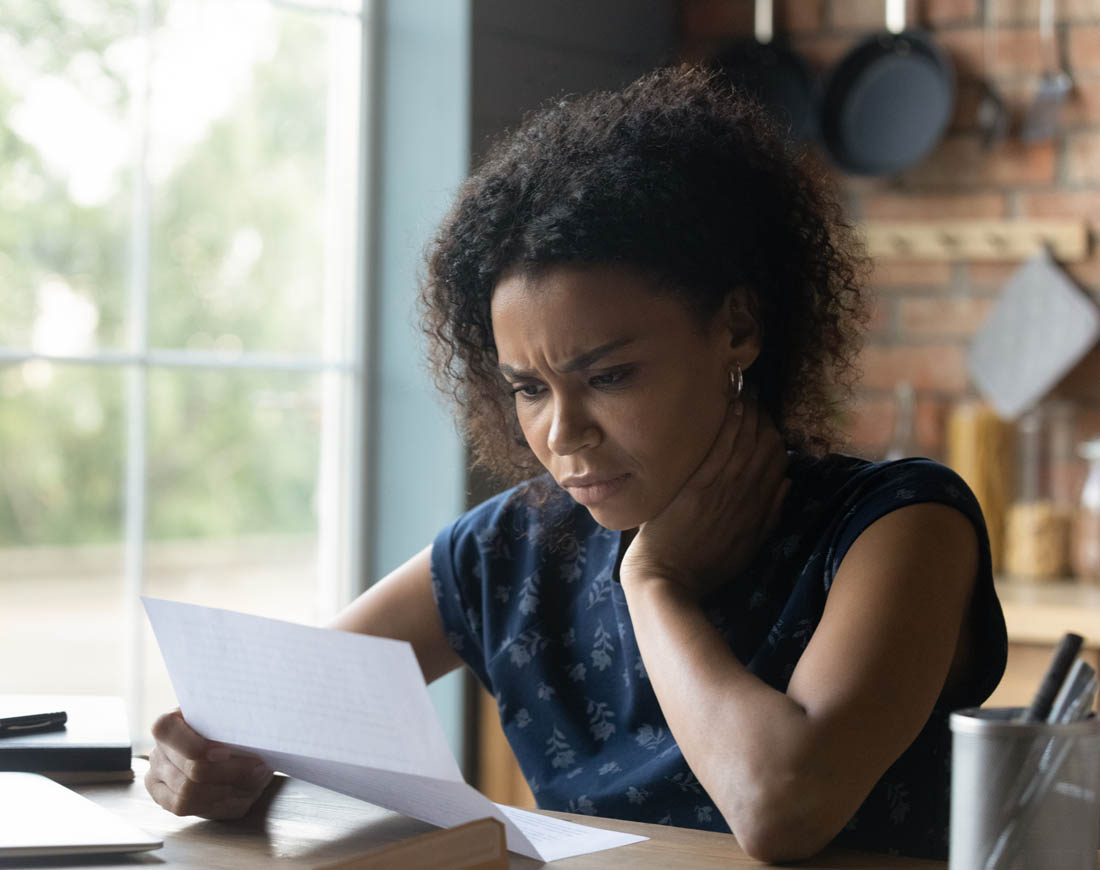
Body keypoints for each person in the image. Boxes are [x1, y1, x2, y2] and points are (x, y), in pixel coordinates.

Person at [144, 64, 1006, 863]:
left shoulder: (898, 527)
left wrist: (655, 584)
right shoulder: (511, 548)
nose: (562, 433)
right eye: (528, 388)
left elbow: (782, 806)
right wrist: (195, 759)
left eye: (610, 376)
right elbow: (259, 717)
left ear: (738, 328)